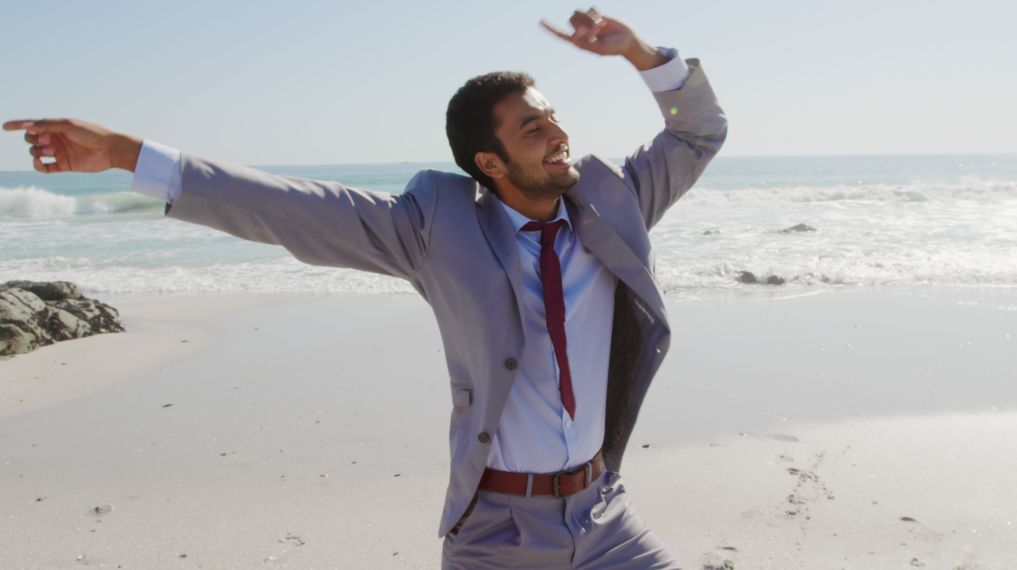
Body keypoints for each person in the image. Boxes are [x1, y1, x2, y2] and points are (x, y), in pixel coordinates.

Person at [4, 8, 726, 569]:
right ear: (490, 161)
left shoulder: (614, 203)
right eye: (532, 128)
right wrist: (127, 154)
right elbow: (288, 205)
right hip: (499, 534)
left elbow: (696, 133)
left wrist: (638, 52)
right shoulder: (434, 229)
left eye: (553, 117)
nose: (557, 133)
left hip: (603, 517)